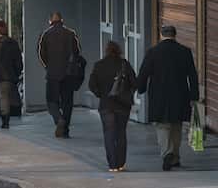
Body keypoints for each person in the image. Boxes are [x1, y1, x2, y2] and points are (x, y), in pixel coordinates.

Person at [136, 25, 199, 171]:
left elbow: (144, 72)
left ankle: (167, 153)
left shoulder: (153, 52)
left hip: (159, 95)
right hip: (180, 94)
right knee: (177, 125)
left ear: (161, 35)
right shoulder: (185, 51)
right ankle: (175, 157)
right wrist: (194, 96)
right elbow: (193, 76)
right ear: (175, 35)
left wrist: (141, 88)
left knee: (162, 125)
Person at [89, 41, 137, 172]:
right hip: (123, 105)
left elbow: (91, 85)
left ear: (106, 51)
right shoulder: (124, 64)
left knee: (109, 134)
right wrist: (128, 93)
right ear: (119, 50)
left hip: (106, 105)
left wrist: (101, 94)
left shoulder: (99, 65)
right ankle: (121, 163)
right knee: (121, 133)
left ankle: (112, 165)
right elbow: (135, 83)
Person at [37, 11, 81, 138]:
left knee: (52, 101)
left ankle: (58, 119)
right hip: (68, 74)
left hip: (52, 74)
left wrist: (48, 67)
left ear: (50, 21)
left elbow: (40, 54)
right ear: (62, 20)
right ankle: (65, 128)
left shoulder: (45, 34)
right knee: (67, 102)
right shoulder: (71, 33)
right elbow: (78, 51)